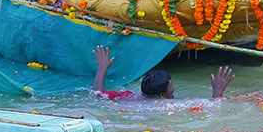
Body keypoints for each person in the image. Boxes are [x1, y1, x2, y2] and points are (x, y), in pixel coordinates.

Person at [91, 45, 233, 101]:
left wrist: (102, 69)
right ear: (162, 95)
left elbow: (97, 94)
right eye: (171, 86)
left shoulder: (128, 97)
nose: (173, 88)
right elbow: (212, 108)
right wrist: (218, 93)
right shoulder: (166, 106)